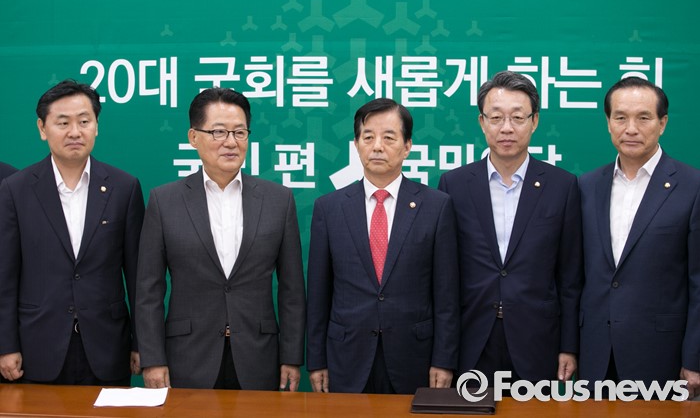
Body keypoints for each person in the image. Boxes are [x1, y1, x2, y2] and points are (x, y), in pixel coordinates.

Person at [135, 88, 306, 391]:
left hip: (258, 356)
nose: (230, 142)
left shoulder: (278, 200)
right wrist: (153, 359)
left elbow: (292, 289)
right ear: (193, 137)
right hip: (188, 356)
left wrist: (291, 357)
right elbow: (149, 290)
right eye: (218, 132)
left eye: (239, 132)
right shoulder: (165, 201)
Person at [438, 71, 582, 386]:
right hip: (472, 338)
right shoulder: (454, 184)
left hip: (538, 341)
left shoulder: (562, 186)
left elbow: (570, 278)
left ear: (534, 121)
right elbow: (445, 277)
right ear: (481, 122)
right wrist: (443, 354)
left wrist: (569, 346)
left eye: (517, 117)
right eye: (496, 117)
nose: (506, 128)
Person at [306, 98, 460, 394]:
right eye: (368, 137)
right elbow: (319, 293)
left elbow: (446, 294)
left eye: (389, 138)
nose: (377, 146)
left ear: (407, 146)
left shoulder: (436, 206)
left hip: (414, 357)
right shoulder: (329, 208)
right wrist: (316, 361)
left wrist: (444, 360)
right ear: (356, 145)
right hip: (346, 356)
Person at [0, 80, 144, 385]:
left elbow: (137, 278)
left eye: (84, 121)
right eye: (63, 123)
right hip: (37, 346)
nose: (75, 132)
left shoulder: (124, 188)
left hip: (107, 345)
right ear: (42, 128)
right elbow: (5, 277)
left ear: (96, 126)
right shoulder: (15, 190)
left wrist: (142, 343)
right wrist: (6, 345)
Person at [578, 76, 700, 397]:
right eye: (620, 117)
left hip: (662, 357)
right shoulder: (586, 187)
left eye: (643, 118)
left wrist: (695, 358)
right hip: (595, 356)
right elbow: (575, 278)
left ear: (663, 123)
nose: (630, 128)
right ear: (608, 123)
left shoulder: (692, 187)